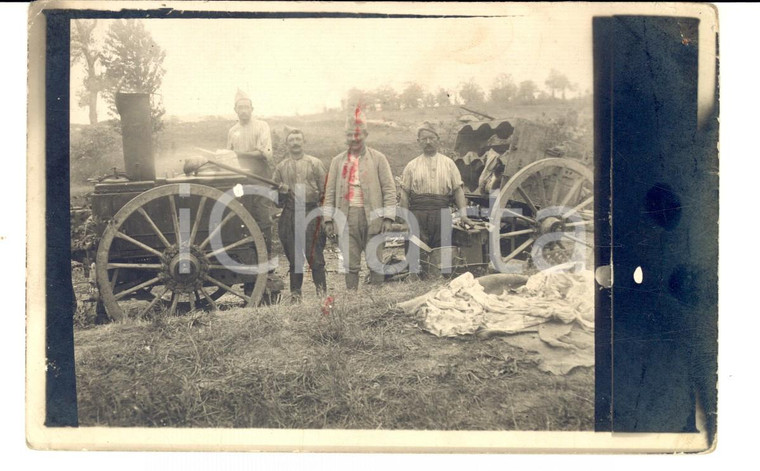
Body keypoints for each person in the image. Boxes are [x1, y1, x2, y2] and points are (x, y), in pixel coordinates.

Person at [322, 109, 396, 290]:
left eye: (358, 135)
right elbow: (329, 192)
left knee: (375, 261)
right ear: (345, 137)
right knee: (350, 262)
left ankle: (377, 300)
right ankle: (353, 300)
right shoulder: (337, 161)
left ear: (365, 135)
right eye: (349, 135)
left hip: (373, 217)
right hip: (346, 217)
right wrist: (328, 219)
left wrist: (388, 217)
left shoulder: (378, 159)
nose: (354, 139)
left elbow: (389, 189)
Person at [226, 89, 278, 298]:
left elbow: (264, 153)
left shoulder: (261, 126)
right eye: (240, 108)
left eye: (247, 107)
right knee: (241, 221)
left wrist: (239, 155)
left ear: (252, 109)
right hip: (239, 181)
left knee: (262, 220)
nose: (244, 111)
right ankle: (248, 265)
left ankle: (266, 266)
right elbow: (228, 155)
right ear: (236, 110)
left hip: (258, 178)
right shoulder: (232, 131)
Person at [272, 128, 328, 302]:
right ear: (287, 144)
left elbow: (326, 192)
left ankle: (322, 296)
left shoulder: (315, 163)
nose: (295, 143)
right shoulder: (281, 167)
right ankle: (296, 298)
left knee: (316, 258)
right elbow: (274, 199)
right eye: (291, 140)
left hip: (311, 213)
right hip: (289, 214)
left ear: (304, 142)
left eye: (298, 139)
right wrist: (280, 192)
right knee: (295, 260)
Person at [400, 121, 475, 250]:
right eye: (424, 139)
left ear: (438, 140)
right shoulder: (411, 166)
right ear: (419, 141)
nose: (428, 142)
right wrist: (405, 220)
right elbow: (404, 195)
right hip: (418, 214)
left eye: (431, 138)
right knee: (416, 253)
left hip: (442, 214)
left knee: (442, 253)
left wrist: (463, 215)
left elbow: (458, 191)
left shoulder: (449, 164)